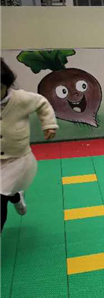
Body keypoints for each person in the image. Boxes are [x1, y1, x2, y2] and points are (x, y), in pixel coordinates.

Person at [0, 58, 57, 233]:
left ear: (7, 85)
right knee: (4, 191)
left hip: (18, 160)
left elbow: (42, 103)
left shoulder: (21, 99)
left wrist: (48, 124)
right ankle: (16, 196)